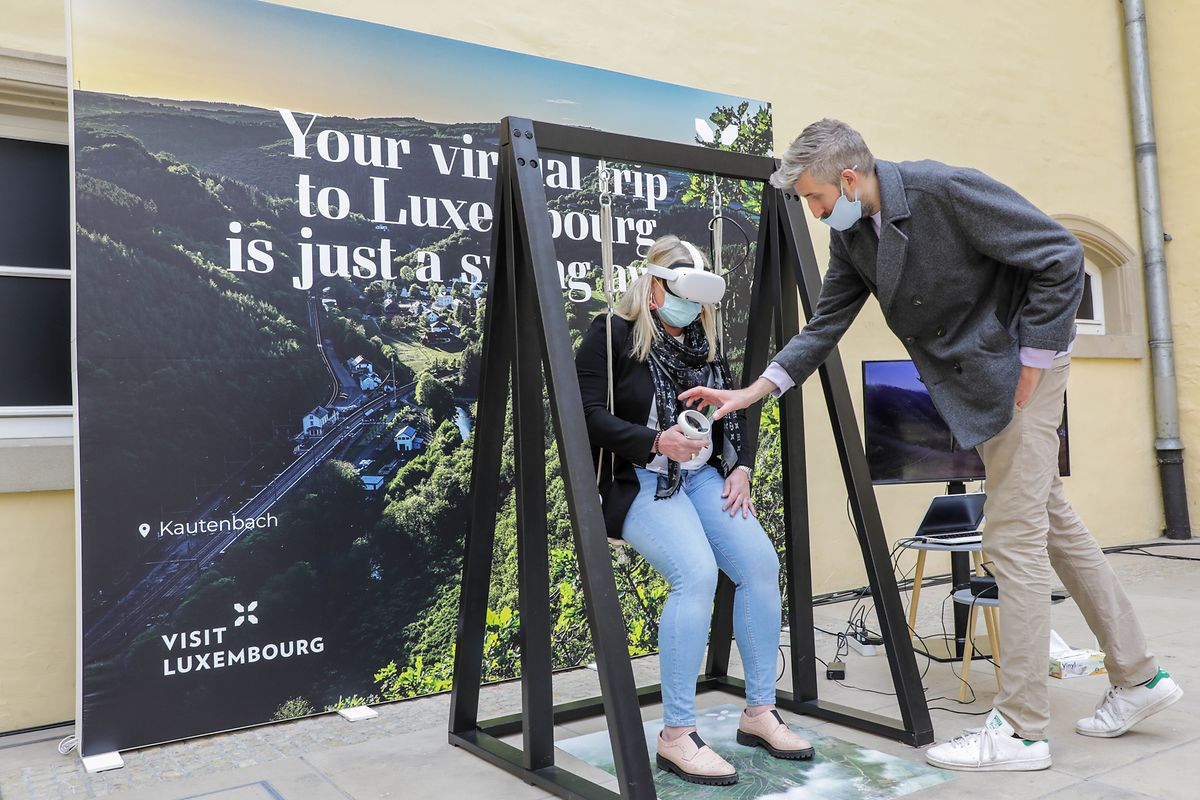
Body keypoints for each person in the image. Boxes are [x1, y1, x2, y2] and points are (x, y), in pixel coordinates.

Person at [680, 119, 1182, 773]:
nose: (816, 211)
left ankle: (1022, 732)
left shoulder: (945, 190)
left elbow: (1059, 254)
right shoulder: (857, 234)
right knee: (1053, 524)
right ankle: (1140, 677)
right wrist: (757, 390)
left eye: (817, 199)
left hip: (1020, 371)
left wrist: (1032, 356)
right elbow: (828, 320)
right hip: (980, 384)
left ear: (850, 179)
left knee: (1012, 540)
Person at [575, 234, 814, 786]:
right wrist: (655, 442)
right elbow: (583, 414)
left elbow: (731, 411)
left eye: (700, 299)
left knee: (759, 568)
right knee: (696, 575)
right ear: (654, 287)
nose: (692, 308)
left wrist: (740, 465)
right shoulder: (610, 335)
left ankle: (759, 713)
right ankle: (677, 735)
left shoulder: (705, 344)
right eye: (682, 293)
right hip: (638, 477)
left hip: (704, 475)